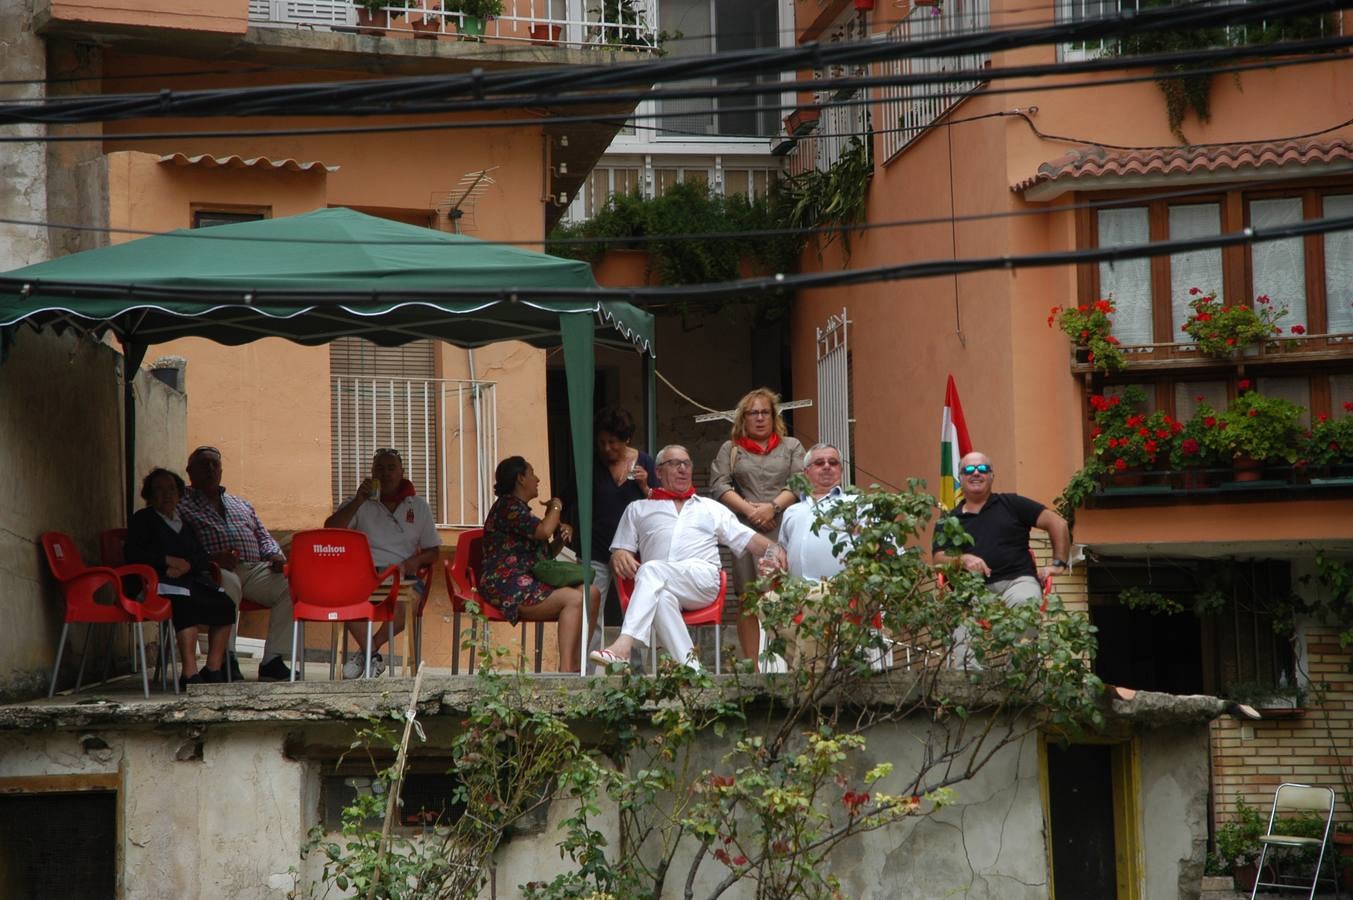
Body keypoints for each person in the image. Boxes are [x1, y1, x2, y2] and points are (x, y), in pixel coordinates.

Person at [590, 444, 785, 671]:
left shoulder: (710, 508)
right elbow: (619, 552)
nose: (683, 469)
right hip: (660, 584)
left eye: (687, 463)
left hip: (702, 582)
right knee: (661, 597)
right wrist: (620, 554)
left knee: (651, 569)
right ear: (659, 472)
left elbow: (749, 539)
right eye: (675, 464)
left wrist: (778, 550)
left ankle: (624, 644)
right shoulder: (638, 508)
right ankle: (694, 671)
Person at [178, 445, 294, 682]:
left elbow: (264, 537)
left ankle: (273, 660)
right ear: (189, 471)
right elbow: (179, 545)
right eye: (204, 465)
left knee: (291, 582)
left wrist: (275, 555)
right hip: (210, 571)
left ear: (221, 470)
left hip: (252, 569)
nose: (211, 469)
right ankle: (224, 658)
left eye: (215, 464)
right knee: (228, 582)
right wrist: (212, 558)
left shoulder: (241, 504)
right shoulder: (181, 505)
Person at [325, 448, 441, 678]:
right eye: (379, 468)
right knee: (344, 601)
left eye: (391, 468)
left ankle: (367, 653)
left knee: (404, 607)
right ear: (371, 473)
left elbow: (433, 551)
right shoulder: (358, 503)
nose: (386, 474)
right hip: (365, 575)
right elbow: (330, 531)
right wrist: (358, 501)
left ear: (402, 473)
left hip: (403, 574)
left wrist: (411, 563)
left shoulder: (417, 506)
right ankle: (372, 656)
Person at [480, 456, 601, 673]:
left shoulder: (522, 510)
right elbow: (544, 530)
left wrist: (561, 540)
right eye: (532, 473)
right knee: (575, 599)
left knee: (591, 593)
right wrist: (556, 505)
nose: (537, 479)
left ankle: (577, 664)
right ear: (521, 479)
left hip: (530, 581)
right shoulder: (508, 507)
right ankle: (566, 672)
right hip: (507, 584)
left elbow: (544, 554)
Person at [709, 388, 805, 661]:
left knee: (785, 592)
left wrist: (772, 507)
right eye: (753, 413)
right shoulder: (731, 449)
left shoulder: (792, 446)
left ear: (773, 416)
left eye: (765, 412)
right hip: (745, 528)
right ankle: (754, 665)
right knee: (748, 597)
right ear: (743, 418)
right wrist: (750, 511)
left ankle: (787, 660)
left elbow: (800, 482)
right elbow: (719, 485)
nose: (759, 418)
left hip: (783, 523)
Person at [125, 468, 237, 689]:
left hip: (185, 581)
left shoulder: (185, 524)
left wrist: (185, 566)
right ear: (148, 495)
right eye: (159, 489)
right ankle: (189, 672)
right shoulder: (143, 519)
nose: (166, 494)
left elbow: (200, 556)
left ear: (179, 494)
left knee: (225, 605)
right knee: (186, 605)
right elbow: (133, 554)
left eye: (171, 489)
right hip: (153, 584)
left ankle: (213, 668)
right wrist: (166, 561)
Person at [930, 451, 1072, 605]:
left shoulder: (1012, 504)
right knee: (962, 629)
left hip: (1018, 582)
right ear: (961, 478)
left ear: (992, 476)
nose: (976, 473)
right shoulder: (948, 521)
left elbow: (1058, 523)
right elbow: (938, 562)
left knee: (1023, 606)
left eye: (983, 469)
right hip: (972, 592)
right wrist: (962, 560)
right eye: (969, 470)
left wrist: (1058, 565)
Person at [588, 407, 657, 609]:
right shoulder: (591, 464)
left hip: (633, 551)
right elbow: (572, 495)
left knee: (635, 606)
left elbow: (661, 505)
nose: (607, 448)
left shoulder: (645, 462)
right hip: (597, 547)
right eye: (602, 443)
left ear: (626, 439)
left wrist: (645, 486)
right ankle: (590, 643)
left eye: (612, 442)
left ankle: (634, 643)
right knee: (592, 606)